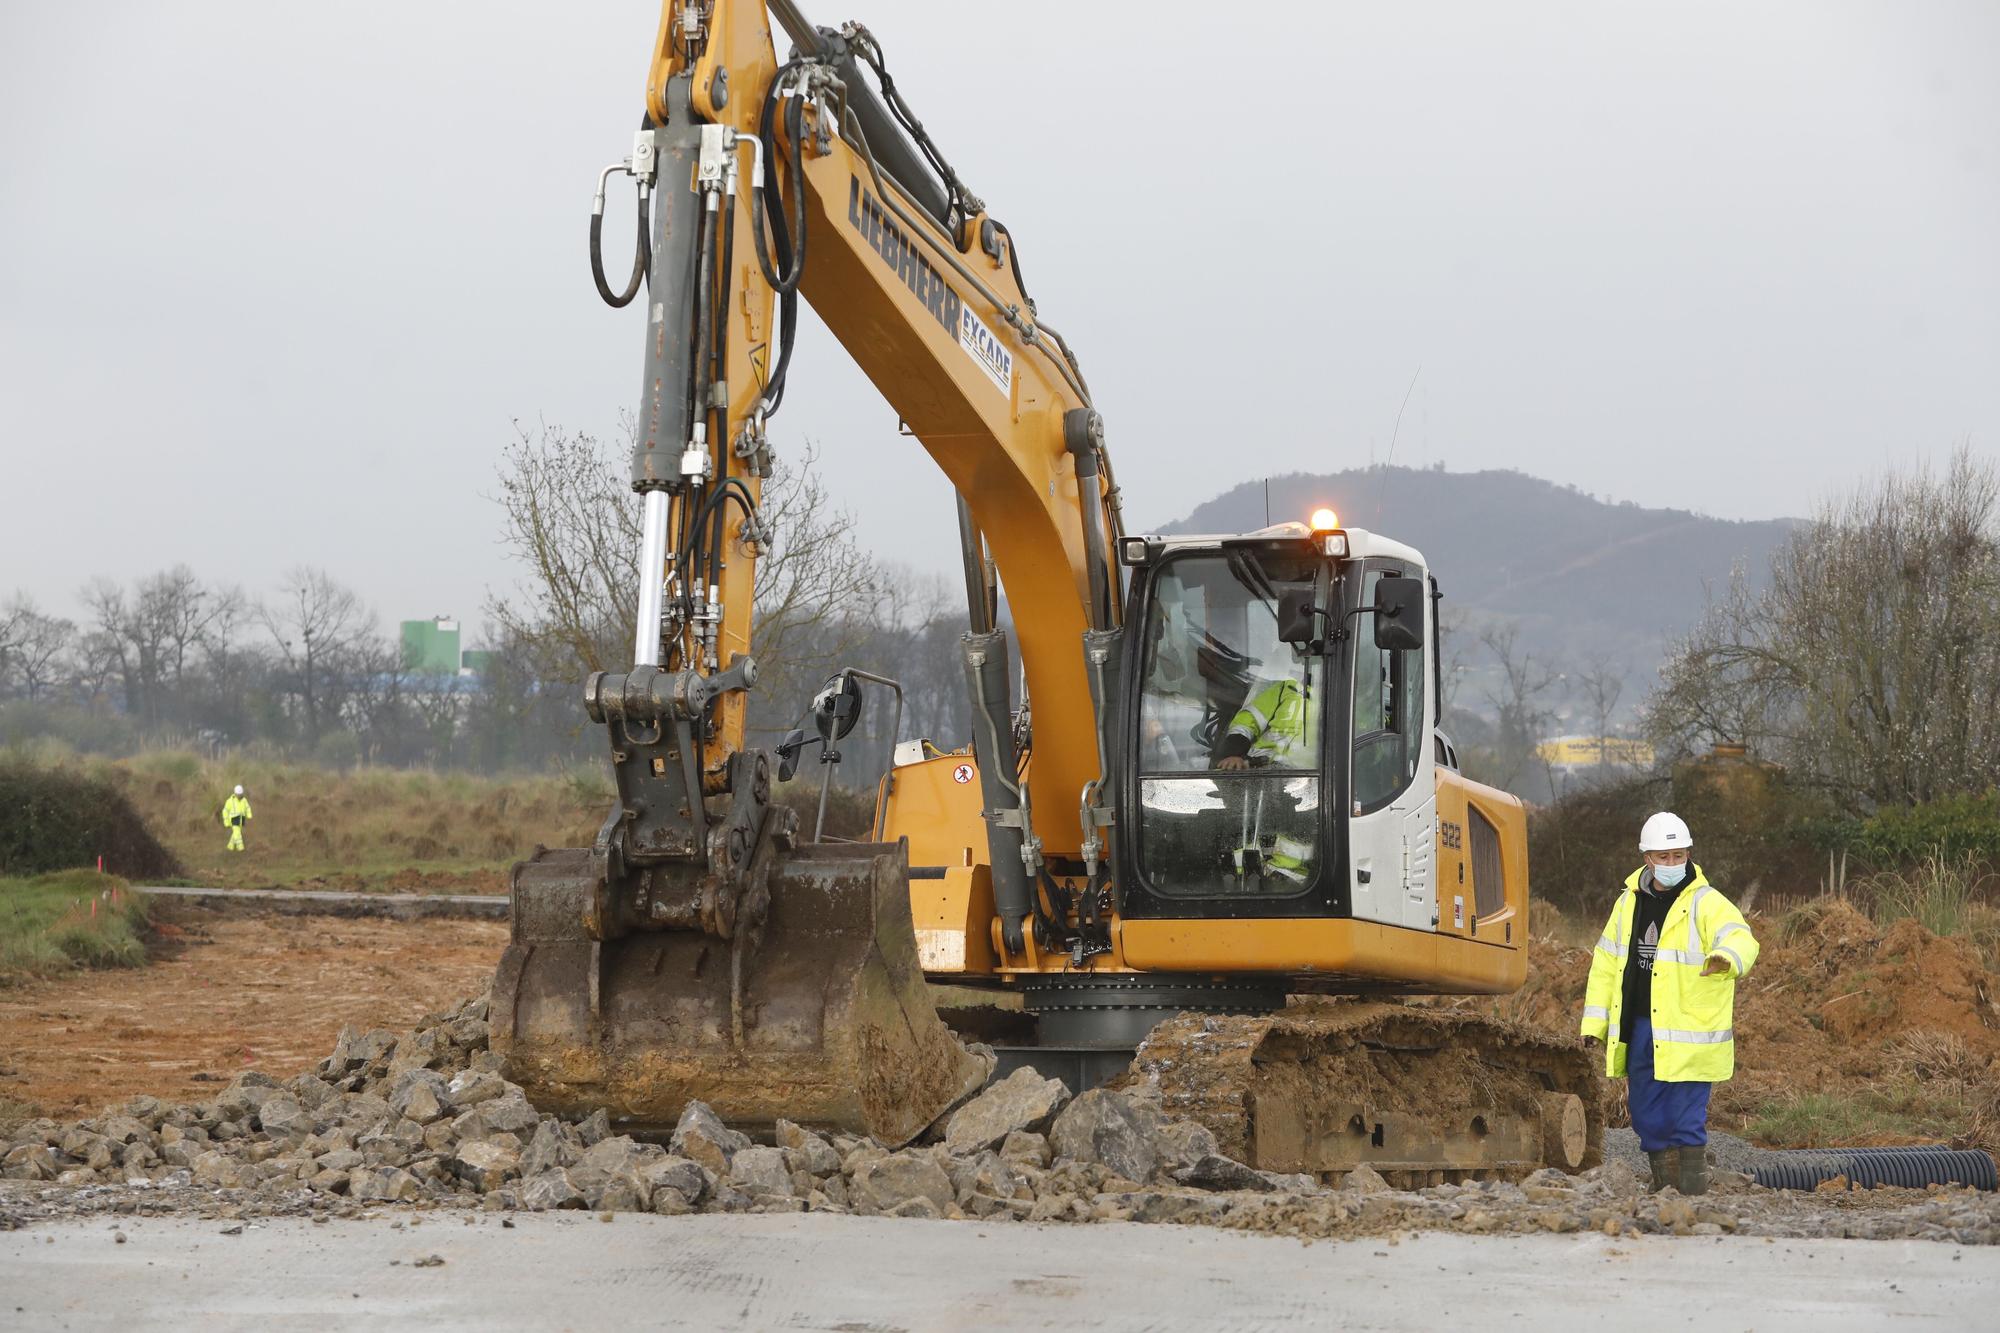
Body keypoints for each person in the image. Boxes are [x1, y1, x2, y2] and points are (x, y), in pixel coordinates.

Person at [1580, 812, 1759, 1196]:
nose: (1673, 864)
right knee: (1647, 1114)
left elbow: (1740, 937)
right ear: (1647, 858)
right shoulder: (1627, 905)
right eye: (1664, 857)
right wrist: (1593, 1026)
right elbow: (1606, 964)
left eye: (1679, 856)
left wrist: (1727, 957)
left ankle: (1692, 1195)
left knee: (1686, 1116)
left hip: (1691, 1030)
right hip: (1641, 1025)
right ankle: (1664, 1189)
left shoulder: (1707, 903)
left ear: (1690, 855)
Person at [220, 784, 253, 853]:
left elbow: (247, 808)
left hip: (241, 819)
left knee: (235, 833)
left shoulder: (244, 800)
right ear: (235, 793)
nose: (239, 795)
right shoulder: (230, 801)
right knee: (237, 833)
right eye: (238, 794)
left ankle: (230, 846)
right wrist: (226, 821)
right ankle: (240, 847)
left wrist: (249, 815)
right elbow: (225, 811)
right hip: (233, 819)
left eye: (240, 794)